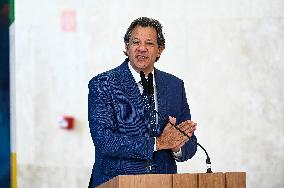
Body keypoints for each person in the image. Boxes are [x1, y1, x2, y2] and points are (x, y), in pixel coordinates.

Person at [88, 17, 197, 187]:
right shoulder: (103, 84)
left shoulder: (175, 85)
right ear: (127, 46)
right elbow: (104, 140)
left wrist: (176, 145)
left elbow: (190, 144)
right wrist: (158, 143)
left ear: (160, 50)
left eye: (150, 43)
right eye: (136, 42)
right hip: (115, 183)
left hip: (164, 183)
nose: (142, 48)